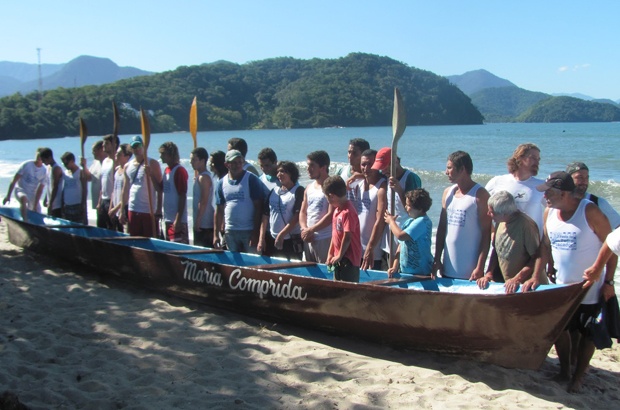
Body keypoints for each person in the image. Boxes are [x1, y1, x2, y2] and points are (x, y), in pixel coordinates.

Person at [524, 171, 615, 392]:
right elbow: (545, 246)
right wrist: (537, 275)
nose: (545, 198)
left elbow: (612, 245)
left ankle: (579, 377)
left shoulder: (589, 211)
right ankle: (564, 370)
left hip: (589, 287)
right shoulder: (549, 213)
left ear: (564, 193)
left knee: (588, 334)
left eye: (549, 193)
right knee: (560, 330)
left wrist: (608, 281)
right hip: (562, 287)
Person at [433, 151, 492, 280]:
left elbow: (486, 234)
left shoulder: (480, 195)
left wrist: (480, 267)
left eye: (449, 168)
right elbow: (442, 229)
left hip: (469, 271)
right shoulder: (448, 193)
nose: (446, 172)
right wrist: (437, 259)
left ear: (462, 169)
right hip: (448, 268)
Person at [476, 190, 545, 294]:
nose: (488, 214)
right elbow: (496, 250)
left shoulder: (526, 225)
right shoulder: (500, 221)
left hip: (530, 288)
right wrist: (489, 273)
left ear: (504, 213)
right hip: (509, 285)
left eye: (492, 212)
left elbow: (537, 258)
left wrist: (517, 279)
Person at [371, 147, 422, 260]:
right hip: (388, 236)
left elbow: (416, 211)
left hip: (404, 234)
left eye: (385, 167)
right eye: (381, 168)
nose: (383, 171)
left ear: (396, 162)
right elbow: (370, 176)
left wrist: (399, 190)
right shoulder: (386, 176)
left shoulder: (410, 178)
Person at [485, 143, 545, 236]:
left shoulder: (541, 185)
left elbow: (553, 213)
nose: (537, 162)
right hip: (503, 242)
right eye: (533, 157)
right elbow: (483, 210)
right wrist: (492, 232)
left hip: (531, 244)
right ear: (519, 158)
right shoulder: (498, 181)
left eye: (538, 159)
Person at [214, 149, 265, 252]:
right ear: (226, 164)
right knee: (233, 264)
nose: (237, 165)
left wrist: (256, 234)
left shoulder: (251, 179)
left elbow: (259, 207)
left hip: (248, 230)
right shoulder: (221, 183)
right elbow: (219, 210)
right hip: (230, 231)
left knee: (252, 262)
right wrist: (215, 235)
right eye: (233, 163)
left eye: (240, 162)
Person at [258, 161, 305, 260]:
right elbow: (265, 216)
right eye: (278, 172)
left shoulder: (298, 191)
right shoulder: (274, 191)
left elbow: (297, 217)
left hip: (290, 240)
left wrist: (282, 234)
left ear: (291, 173)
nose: (279, 174)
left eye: (283, 171)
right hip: (272, 238)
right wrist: (261, 239)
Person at [119, 136, 163, 238]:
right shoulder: (127, 166)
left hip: (148, 210)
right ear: (131, 148)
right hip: (133, 208)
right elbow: (125, 190)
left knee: (150, 239)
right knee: (134, 239)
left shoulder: (152, 163)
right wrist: (122, 211)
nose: (137, 149)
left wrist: (159, 209)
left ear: (143, 146)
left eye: (139, 146)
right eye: (134, 146)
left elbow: (160, 189)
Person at [384, 189, 433, 277]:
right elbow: (400, 245)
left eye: (408, 205)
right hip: (405, 271)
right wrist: (395, 266)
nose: (406, 208)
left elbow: (400, 236)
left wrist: (391, 222)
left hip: (421, 272)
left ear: (420, 208)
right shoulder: (409, 222)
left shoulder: (423, 222)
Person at [324, 176, 362, 283]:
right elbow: (335, 234)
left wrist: (340, 255)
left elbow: (348, 237)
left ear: (331, 196)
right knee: (336, 287)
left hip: (349, 259)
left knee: (348, 289)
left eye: (327, 197)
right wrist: (330, 253)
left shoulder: (348, 211)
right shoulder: (337, 211)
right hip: (338, 257)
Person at [299, 150, 334, 263]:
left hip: (325, 238)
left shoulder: (331, 186)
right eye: (308, 166)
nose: (308, 169)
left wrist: (311, 230)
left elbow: (331, 214)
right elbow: (303, 212)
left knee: (326, 272)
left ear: (323, 167)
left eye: (312, 166)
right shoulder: (309, 187)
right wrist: (305, 229)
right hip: (308, 238)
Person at [566, 161, 620, 229]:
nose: (584, 181)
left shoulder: (598, 203)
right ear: (568, 179)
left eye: (586, 178)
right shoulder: (558, 204)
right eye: (580, 177)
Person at [358, 149, 387, 270]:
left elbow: (380, 220)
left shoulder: (382, 187)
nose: (366, 168)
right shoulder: (358, 184)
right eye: (363, 164)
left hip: (374, 252)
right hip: (357, 249)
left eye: (370, 164)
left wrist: (370, 248)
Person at [155, 142, 189, 244]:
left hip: (177, 220)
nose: (160, 156)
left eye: (163, 154)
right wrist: (150, 175)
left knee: (179, 248)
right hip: (168, 218)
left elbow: (182, 195)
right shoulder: (166, 170)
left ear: (170, 154)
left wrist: (178, 219)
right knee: (169, 247)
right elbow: (160, 189)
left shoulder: (179, 171)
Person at [2, 147, 47, 221]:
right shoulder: (27, 164)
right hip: (20, 189)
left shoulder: (44, 171)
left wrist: (35, 204)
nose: (38, 158)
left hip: (32, 193)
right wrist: (8, 196)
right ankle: (25, 220)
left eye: (40, 156)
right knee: (24, 198)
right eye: (37, 155)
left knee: (37, 211)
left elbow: (40, 189)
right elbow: (14, 180)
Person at [190, 147, 215, 247]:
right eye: (191, 159)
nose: (191, 162)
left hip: (204, 223)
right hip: (202, 221)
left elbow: (203, 201)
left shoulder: (203, 177)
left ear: (203, 161)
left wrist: (198, 220)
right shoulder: (200, 176)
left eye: (194, 160)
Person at [336, 138, 370, 205]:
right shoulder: (341, 171)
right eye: (349, 152)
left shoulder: (372, 174)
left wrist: (360, 176)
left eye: (354, 153)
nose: (350, 156)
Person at [97, 134, 120, 229]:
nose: (103, 146)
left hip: (112, 200)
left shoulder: (117, 161)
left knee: (113, 227)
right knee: (101, 227)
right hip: (104, 199)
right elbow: (103, 183)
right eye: (103, 143)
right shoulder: (105, 161)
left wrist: (113, 205)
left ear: (114, 145)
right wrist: (99, 202)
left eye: (106, 143)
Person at [108, 144, 132, 232]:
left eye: (119, 153)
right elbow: (114, 190)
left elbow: (127, 193)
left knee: (126, 232)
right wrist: (111, 206)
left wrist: (116, 208)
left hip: (124, 208)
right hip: (116, 209)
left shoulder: (129, 170)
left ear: (127, 156)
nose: (116, 155)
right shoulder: (117, 169)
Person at [81, 140, 106, 225]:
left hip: (104, 201)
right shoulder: (95, 162)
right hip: (96, 202)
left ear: (101, 150)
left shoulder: (107, 163)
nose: (92, 153)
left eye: (94, 150)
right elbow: (88, 178)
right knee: (99, 222)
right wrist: (84, 166)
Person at [59, 152, 87, 223]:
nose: (65, 166)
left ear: (72, 161)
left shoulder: (80, 172)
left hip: (77, 205)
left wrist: (83, 204)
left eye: (66, 163)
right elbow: (64, 188)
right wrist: (62, 203)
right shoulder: (65, 173)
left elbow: (85, 189)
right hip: (67, 205)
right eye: (63, 164)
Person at [39, 147, 63, 218]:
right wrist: (46, 198)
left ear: (49, 158)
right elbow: (49, 185)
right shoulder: (49, 167)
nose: (42, 162)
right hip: (51, 202)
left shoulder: (56, 169)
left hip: (57, 204)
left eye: (43, 160)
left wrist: (51, 203)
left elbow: (55, 187)